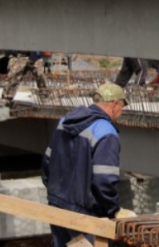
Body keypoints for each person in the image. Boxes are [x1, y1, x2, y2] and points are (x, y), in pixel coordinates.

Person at [41, 82, 126, 246]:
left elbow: (47, 163)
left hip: (56, 206)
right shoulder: (106, 131)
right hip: (84, 214)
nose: (121, 113)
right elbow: (104, 181)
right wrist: (113, 209)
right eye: (122, 107)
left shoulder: (64, 121)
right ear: (114, 104)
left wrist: (56, 194)